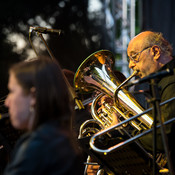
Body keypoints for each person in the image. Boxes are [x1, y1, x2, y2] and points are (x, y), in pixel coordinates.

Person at [87, 31, 175, 174]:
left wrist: (122, 134)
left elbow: (162, 137)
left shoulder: (171, 81)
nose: (130, 65)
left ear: (155, 51)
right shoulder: (160, 82)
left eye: (134, 57)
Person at [3, 56, 83, 175]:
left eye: (12, 91)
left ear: (33, 96)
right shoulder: (61, 137)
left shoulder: (37, 146)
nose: (6, 102)